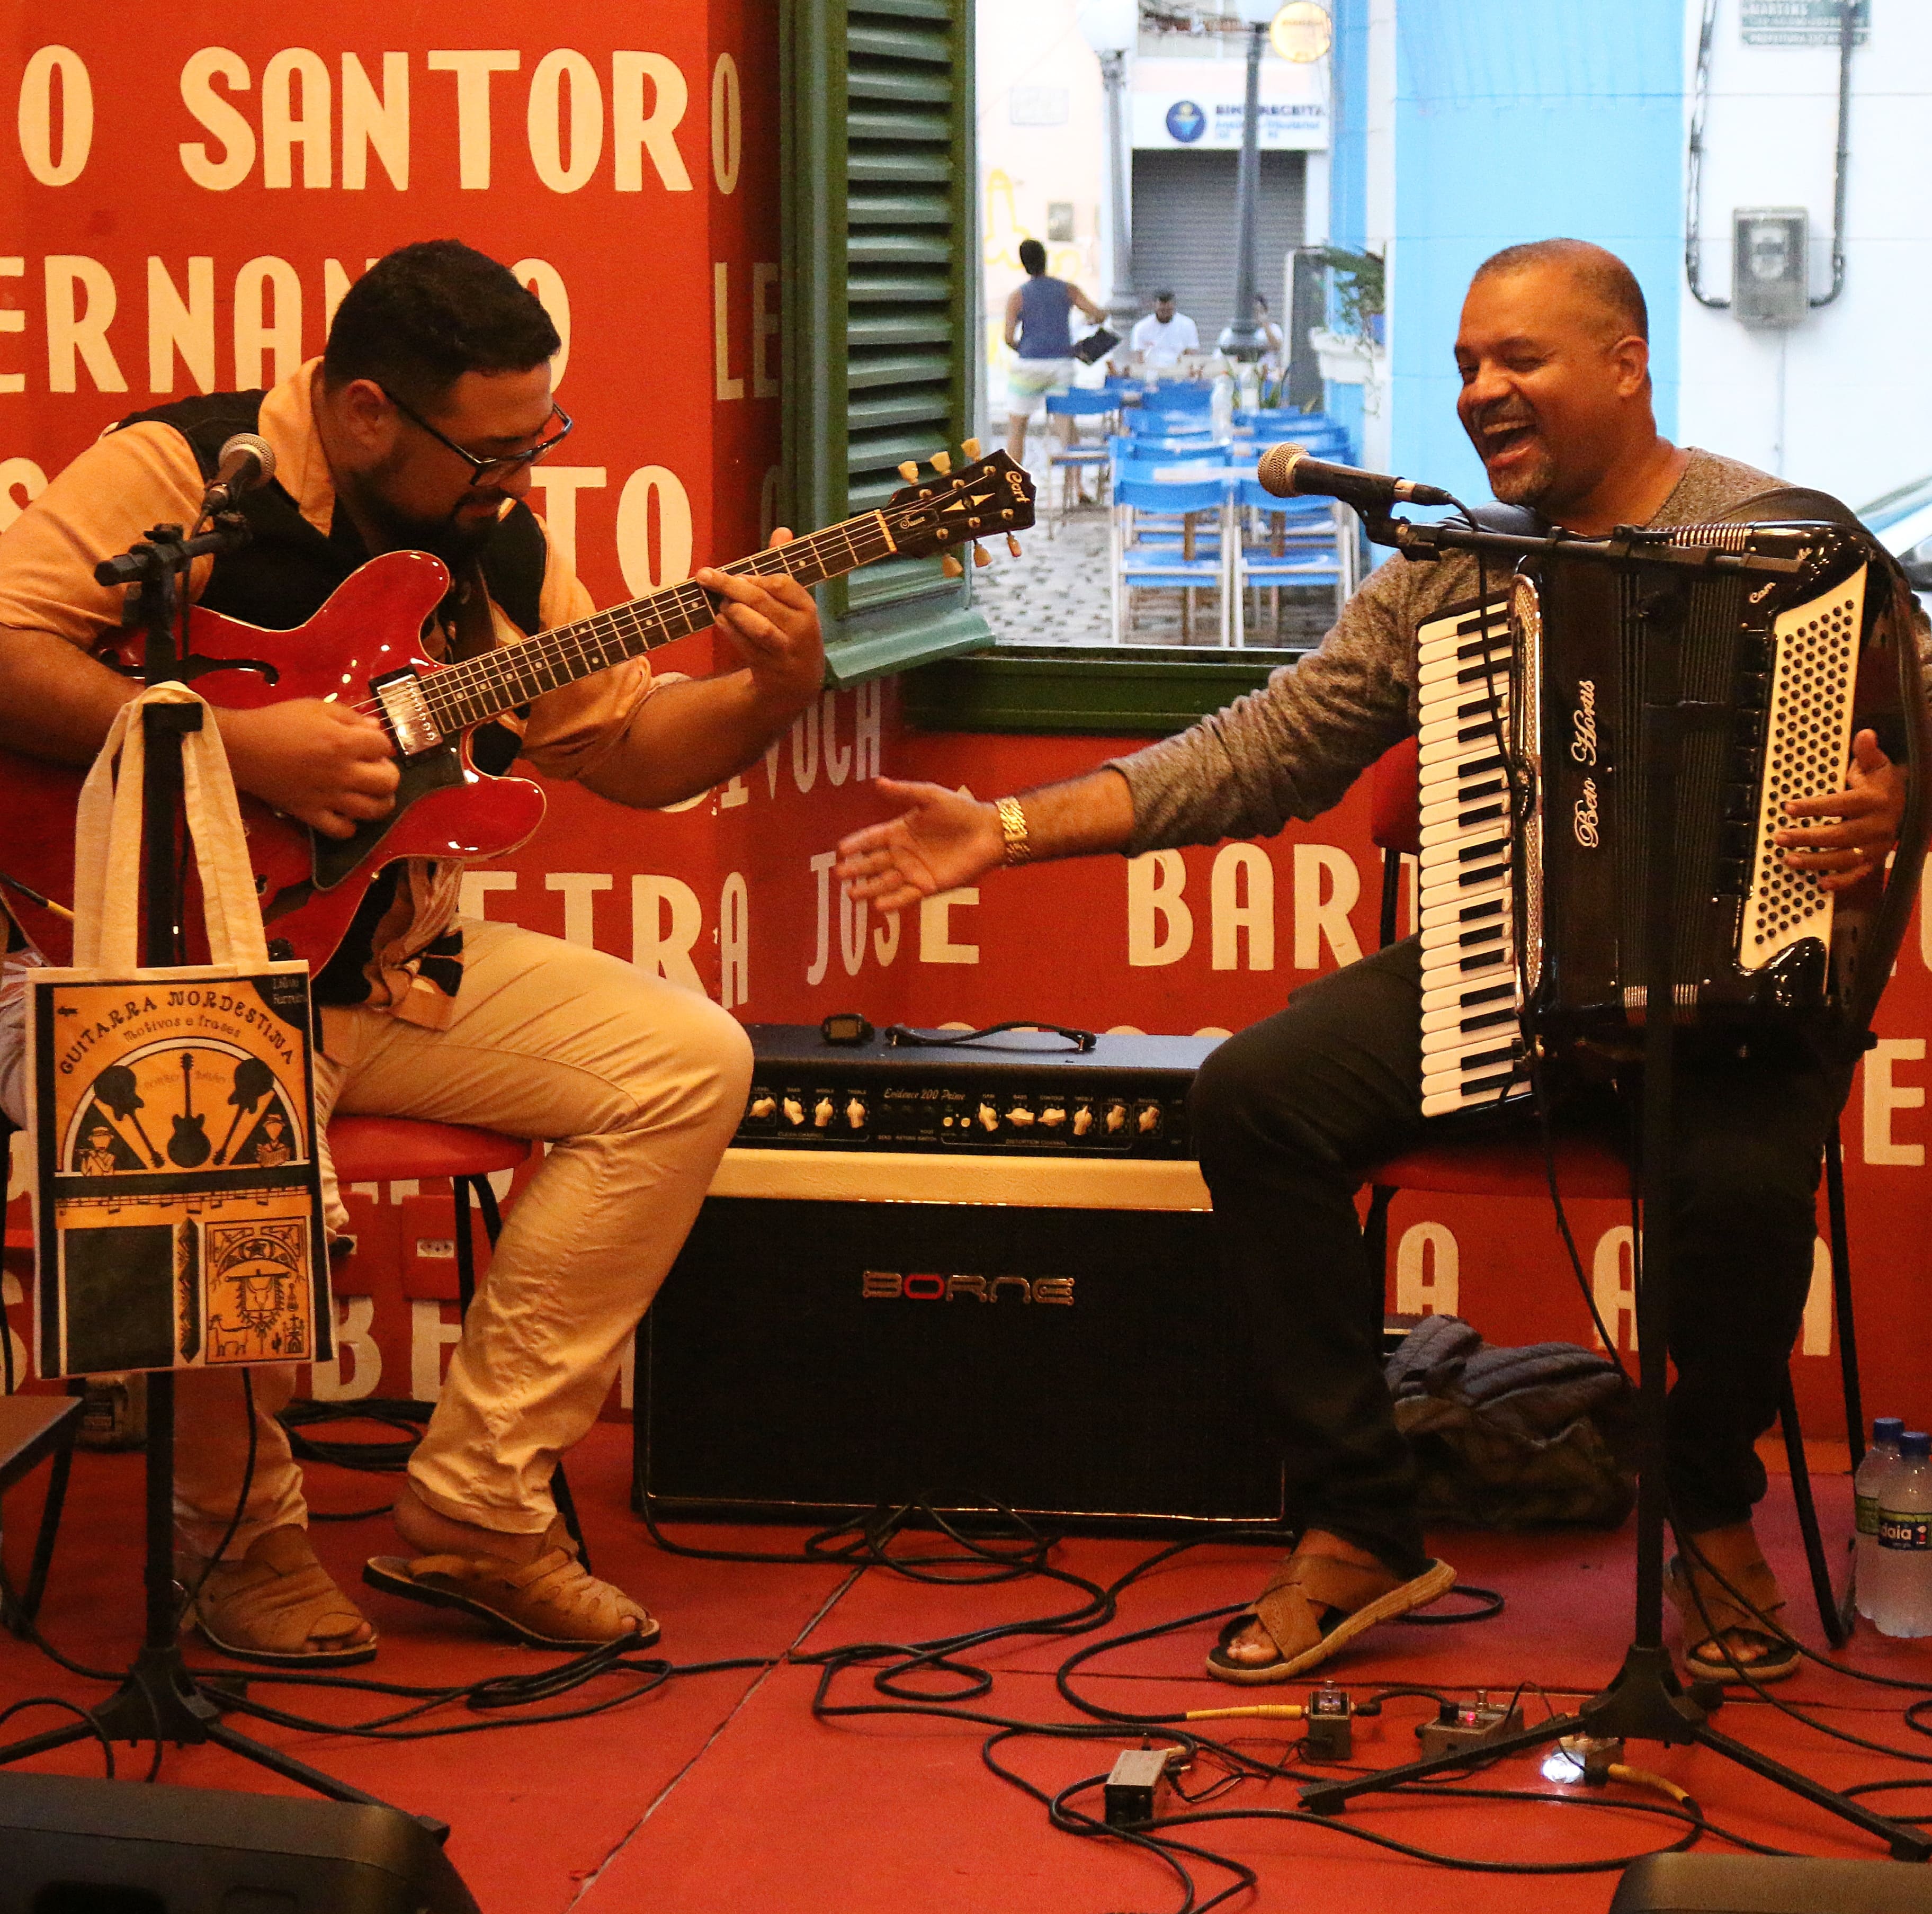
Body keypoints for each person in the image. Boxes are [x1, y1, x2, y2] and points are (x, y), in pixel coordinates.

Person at [836, 239, 1917, 1689]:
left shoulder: (1792, 542)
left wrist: (1899, 802)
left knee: (1732, 1188)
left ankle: (1711, 1510)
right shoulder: (1454, 570)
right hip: (1507, 972)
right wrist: (1014, 827)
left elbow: (1919, 720)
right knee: (1255, 1097)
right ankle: (1361, 1522)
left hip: (1734, 1004)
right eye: (1467, 365)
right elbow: (1266, 750)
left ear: (1625, 363)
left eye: (1517, 360)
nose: (1481, 392)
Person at [0, 240, 827, 1664]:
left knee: (685, 1062)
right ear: (368, 411)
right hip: (147, 959)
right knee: (217, 1147)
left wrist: (774, 690)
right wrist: (235, 741)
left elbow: (626, 748)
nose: (521, 472)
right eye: (493, 446)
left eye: (538, 435)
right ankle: (241, 1547)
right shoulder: (182, 475)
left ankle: (476, 1511)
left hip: (384, 957)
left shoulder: (491, 541)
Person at [1003, 238, 1107, 467]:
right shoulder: (1067, 289)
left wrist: (1026, 348)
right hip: (1062, 364)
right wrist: (1090, 321)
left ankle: (1012, 487)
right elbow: (1099, 314)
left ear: (1024, 264)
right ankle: (1077, 489)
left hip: (1028, 366)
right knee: (1067, 427)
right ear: (1046, 259)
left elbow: (1008, 338)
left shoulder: (1017, 296)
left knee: (1017, 428)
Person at [1130, 291, 1200, 370]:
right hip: (1151, 372)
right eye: (1162, 310)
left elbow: (1191, 353)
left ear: (1173, 306)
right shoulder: (1141, 327)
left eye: (1168, 310)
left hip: (1179, 373)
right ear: (1155, 306)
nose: (1165, 314)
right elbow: (1138, 357)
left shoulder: (1188, 324)